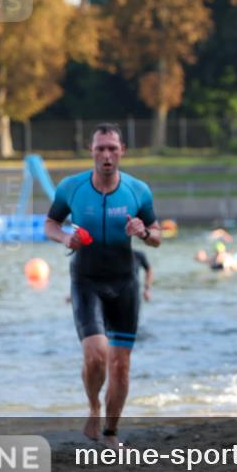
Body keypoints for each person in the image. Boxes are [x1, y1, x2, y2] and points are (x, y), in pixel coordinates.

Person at [44, 123, 161, 448]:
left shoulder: (138, 190)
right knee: (96, 356)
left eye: (112, 148)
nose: (106, 155)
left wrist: (143, 232)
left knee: (121, 365)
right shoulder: (72, 188)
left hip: (125, 283)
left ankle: (110, 432)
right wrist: (64, 237)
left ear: (122, 150)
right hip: (86, 281)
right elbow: (50, 223)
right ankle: (94, 405)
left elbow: (157, 236)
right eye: (100, 149)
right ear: (91, 151)